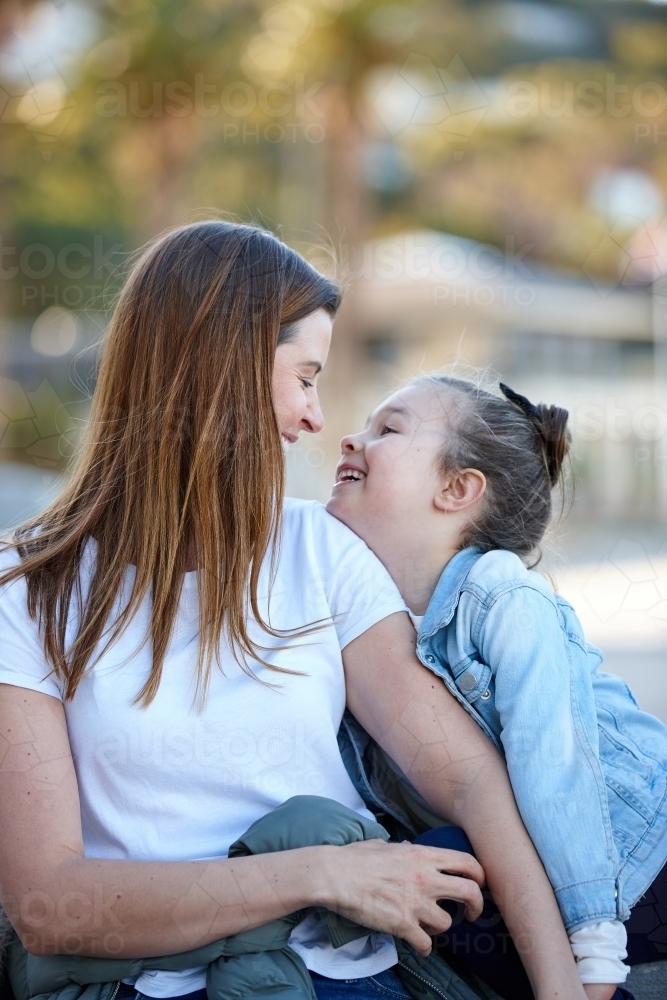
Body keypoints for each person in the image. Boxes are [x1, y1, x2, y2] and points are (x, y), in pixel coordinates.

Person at [0, 222, 588, 1000]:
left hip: (345, 980)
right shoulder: (28, 585)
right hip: (142, 986)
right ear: (225, 368)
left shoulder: (323, 552)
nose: (315, 418)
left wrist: (564, 989)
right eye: (305, 376)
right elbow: (54, 907)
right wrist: (319, 874)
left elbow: (470, 784)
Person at [326, 371, 667, 1000]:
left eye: (388, 429)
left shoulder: (504, 597)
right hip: (551, 870)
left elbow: (558, 769)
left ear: (458, 489)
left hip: (641, 859)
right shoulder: (367, 623)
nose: (350, 439)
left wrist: (595, 949)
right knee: (443, 867)